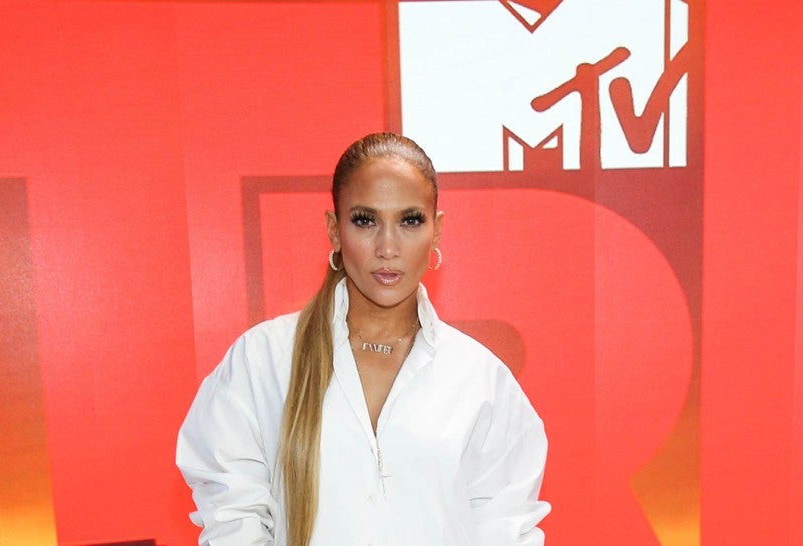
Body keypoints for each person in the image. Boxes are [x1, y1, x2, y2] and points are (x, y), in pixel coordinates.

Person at [176, 133, 549, 546]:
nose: (387, 247)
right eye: (365, 221)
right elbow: (232, 516)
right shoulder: (263, 360)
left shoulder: (481, 379)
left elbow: (505, 529)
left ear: (437, 230)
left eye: (410, 221)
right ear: (334, 230)